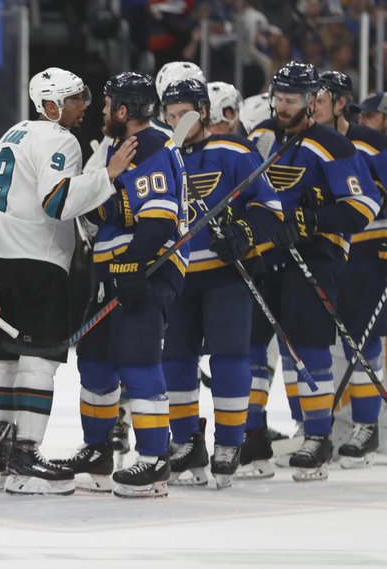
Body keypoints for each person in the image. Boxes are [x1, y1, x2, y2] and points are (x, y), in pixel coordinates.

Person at [0, 67, 135, 495]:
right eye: (74, 99)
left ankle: (2, 460)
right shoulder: (60, 139)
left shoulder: (13, 133)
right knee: (37, 362)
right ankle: (26, 457)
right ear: (51, 106)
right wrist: (107, 176)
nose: (83, 105)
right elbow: (56, 203)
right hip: (38, 263)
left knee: (2, 363)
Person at [242, 61, 380, 481]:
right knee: (248, 347)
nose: (284, 106)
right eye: (279, 98)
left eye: (293, 100)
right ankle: (251, 438)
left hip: (314, 256)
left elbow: (364, 206)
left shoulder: (334, 146)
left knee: (308, 348)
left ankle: (317, 439)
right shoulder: (260, 137)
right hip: (262, 256)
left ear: (312, 100)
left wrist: (310, 221)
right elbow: (240, 192)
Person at [53, 72, 187, 499]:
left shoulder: (151, 145)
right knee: (94, 361)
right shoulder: (115, 149)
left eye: (109, 105)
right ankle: (98, 451)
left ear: (124, 111)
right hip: (113, 271)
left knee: (137, 361)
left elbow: (160, 217)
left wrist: (133, 263)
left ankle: (153, 459)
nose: (103, 112)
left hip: (146, 271)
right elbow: (115, 211)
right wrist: (102, 198)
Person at [159, 77, 283, 489]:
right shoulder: (162, 158)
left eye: (186, 114)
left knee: (230, 356)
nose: (178, 122)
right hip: (176, 277)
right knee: (174, 358)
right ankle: (186, 443)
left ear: (204, 112)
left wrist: (244, 234)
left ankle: (229, 443)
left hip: (226, 276)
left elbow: (270, 208)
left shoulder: (234, 151)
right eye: (171, 115)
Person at [311, 71, 387, 468]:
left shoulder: (369, 141)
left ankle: (367, 426)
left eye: (319, 99)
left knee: (363, 336)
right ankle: (327, 426)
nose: (311, 107)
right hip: (329, 250)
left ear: (339, 103)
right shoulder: (310, 142)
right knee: (332, 342)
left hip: (369, 248)